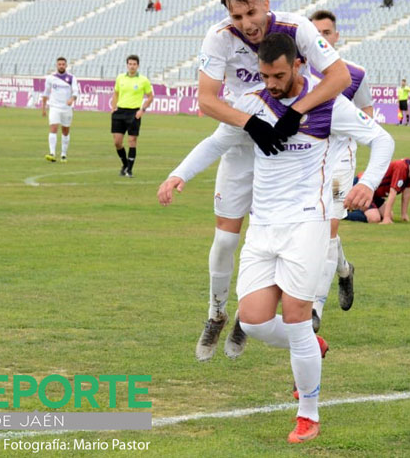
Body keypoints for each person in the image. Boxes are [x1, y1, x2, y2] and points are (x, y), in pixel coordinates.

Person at [159, 34, 394, 443]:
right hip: (263, 227)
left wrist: (369, 182)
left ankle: (308, 413)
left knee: (298, 315)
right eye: (265, 74)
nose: (270, 82)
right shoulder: (253, 103)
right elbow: (217, 141)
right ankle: (310, 345)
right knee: (253, 320)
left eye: (279, 75)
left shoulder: (328, 105)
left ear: (299, 65)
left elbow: (382, 139)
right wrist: (178, 174)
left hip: (308, 223)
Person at [169, 0, 352, 362]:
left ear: (265, 4)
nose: (246, 24)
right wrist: (249, 123)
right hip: (241, 137)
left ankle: (257, 314)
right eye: (237, 17)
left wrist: (296, 112)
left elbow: (339, 76)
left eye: (251, 13)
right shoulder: (219, 38)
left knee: (293, 231)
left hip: (292, 145)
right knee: (226, 240)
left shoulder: (297, 28)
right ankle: (216, 314)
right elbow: (206, 99)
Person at [309, 9, 376, 324]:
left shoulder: (355, 74)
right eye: (315, 32)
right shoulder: (297, 72)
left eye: (327, 32)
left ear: (335, 37)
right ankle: (345, 270)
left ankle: (314, 309)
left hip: (340, 163)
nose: (322, 38)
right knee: (316, 230)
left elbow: (367, 112)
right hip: (305, 163)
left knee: (329, 227)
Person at [344, 159, 410, 224]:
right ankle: (342, 214)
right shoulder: (401, 168)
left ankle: (358, 208)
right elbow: (392, 194)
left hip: (376, 194)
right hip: (365, 187)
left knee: (390, 215)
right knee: (374, 219)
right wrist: (386, 218)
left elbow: (406, 193)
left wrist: (404, 214)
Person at [111, 55, 153, 177]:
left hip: (134, 112)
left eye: (134, 64)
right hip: (120, 112)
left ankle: (129, 170)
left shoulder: (143, 80)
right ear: (127, 65)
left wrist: (142, 110)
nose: (132, 66)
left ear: (138, 66)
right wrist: (113, 108)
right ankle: (125, 164)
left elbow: (150, 97)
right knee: (117, 142)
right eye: (130, 64)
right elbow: (116, 93)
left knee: (132, 140)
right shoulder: (120, 78)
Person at [41, 57, 79, 163]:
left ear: (66, 66)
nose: (61, 66)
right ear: (56, 65)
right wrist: (43, 108)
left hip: (66, 108)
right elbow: (46, 93)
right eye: (59, 64)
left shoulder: (71, 78)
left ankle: (63, 154)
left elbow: (76, 92)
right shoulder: (51, 78)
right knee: (53, 127)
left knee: (65, 131)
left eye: (63, 64)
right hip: (54, 107)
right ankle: (52, 153)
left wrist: (72, 99)